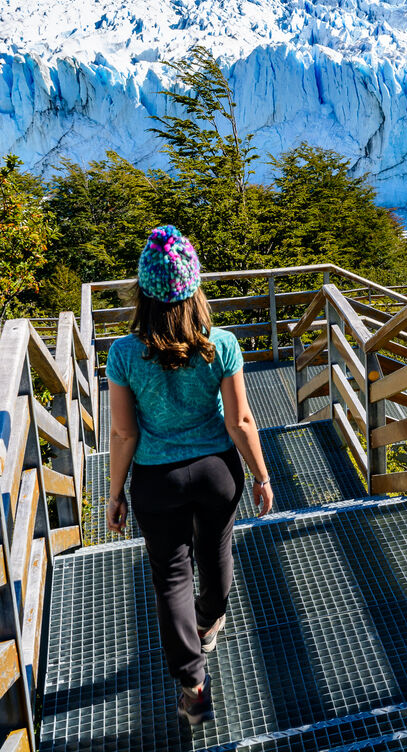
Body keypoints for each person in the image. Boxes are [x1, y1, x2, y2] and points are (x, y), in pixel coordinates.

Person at [104, 225, 274, 725]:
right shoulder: (220, 345)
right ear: (194, 286)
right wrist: (262, 477)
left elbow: (123, 435)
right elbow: (240, 421)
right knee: (216, 551)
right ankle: (208, 622)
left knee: (170, 576)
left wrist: (115, 494)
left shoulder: (123, 353)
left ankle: (193, 683)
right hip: (218, 470)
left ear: (144, 292)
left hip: (158, 479)